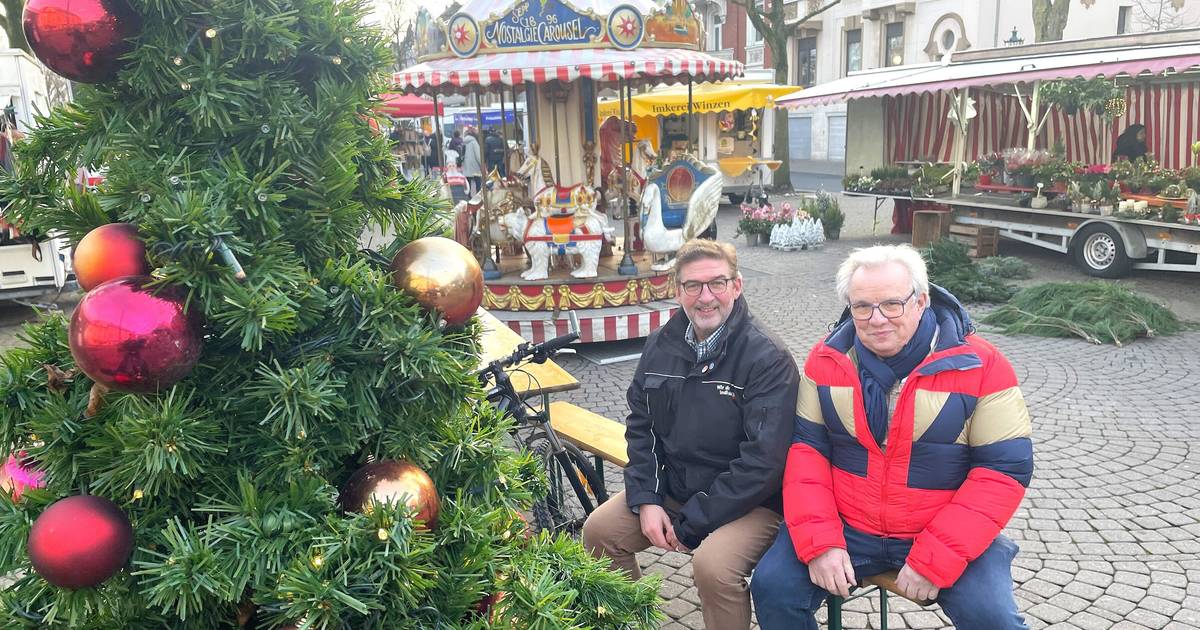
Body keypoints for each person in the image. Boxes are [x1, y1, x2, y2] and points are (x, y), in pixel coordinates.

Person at [750, 244, 1034, 630]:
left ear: (921, 301)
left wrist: (934, 557)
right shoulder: (828, 360)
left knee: (995, 620)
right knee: (773, 589)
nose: (876, 319)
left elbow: (1002, 471)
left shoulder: (982, 366)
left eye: (892, 304)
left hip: (938, 530)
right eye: (862, 306)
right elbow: (807, 453)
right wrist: (821, 542)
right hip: (849, 527)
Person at [582, 239, 800, 630]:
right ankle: (633, 621)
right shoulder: (662, 345)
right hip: (677, 489)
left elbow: (763, 463)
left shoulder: (766, 358)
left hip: (754, 503)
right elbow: (641, 426)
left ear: (737, 285)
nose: (705, 297)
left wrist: (693, 521)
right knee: (599, 532)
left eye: (717, 283)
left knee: (713, 567)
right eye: (693, 286)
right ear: (677, 290)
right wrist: (647, 499)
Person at [461, 128, 483, 195]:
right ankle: (478, 194)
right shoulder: (474, 142)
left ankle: (468, 195)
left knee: (468, 181)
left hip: (466, 164)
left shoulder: (464, 142)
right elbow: (478, 155)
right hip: (475, 165)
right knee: (478, 181)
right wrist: (481, 164)